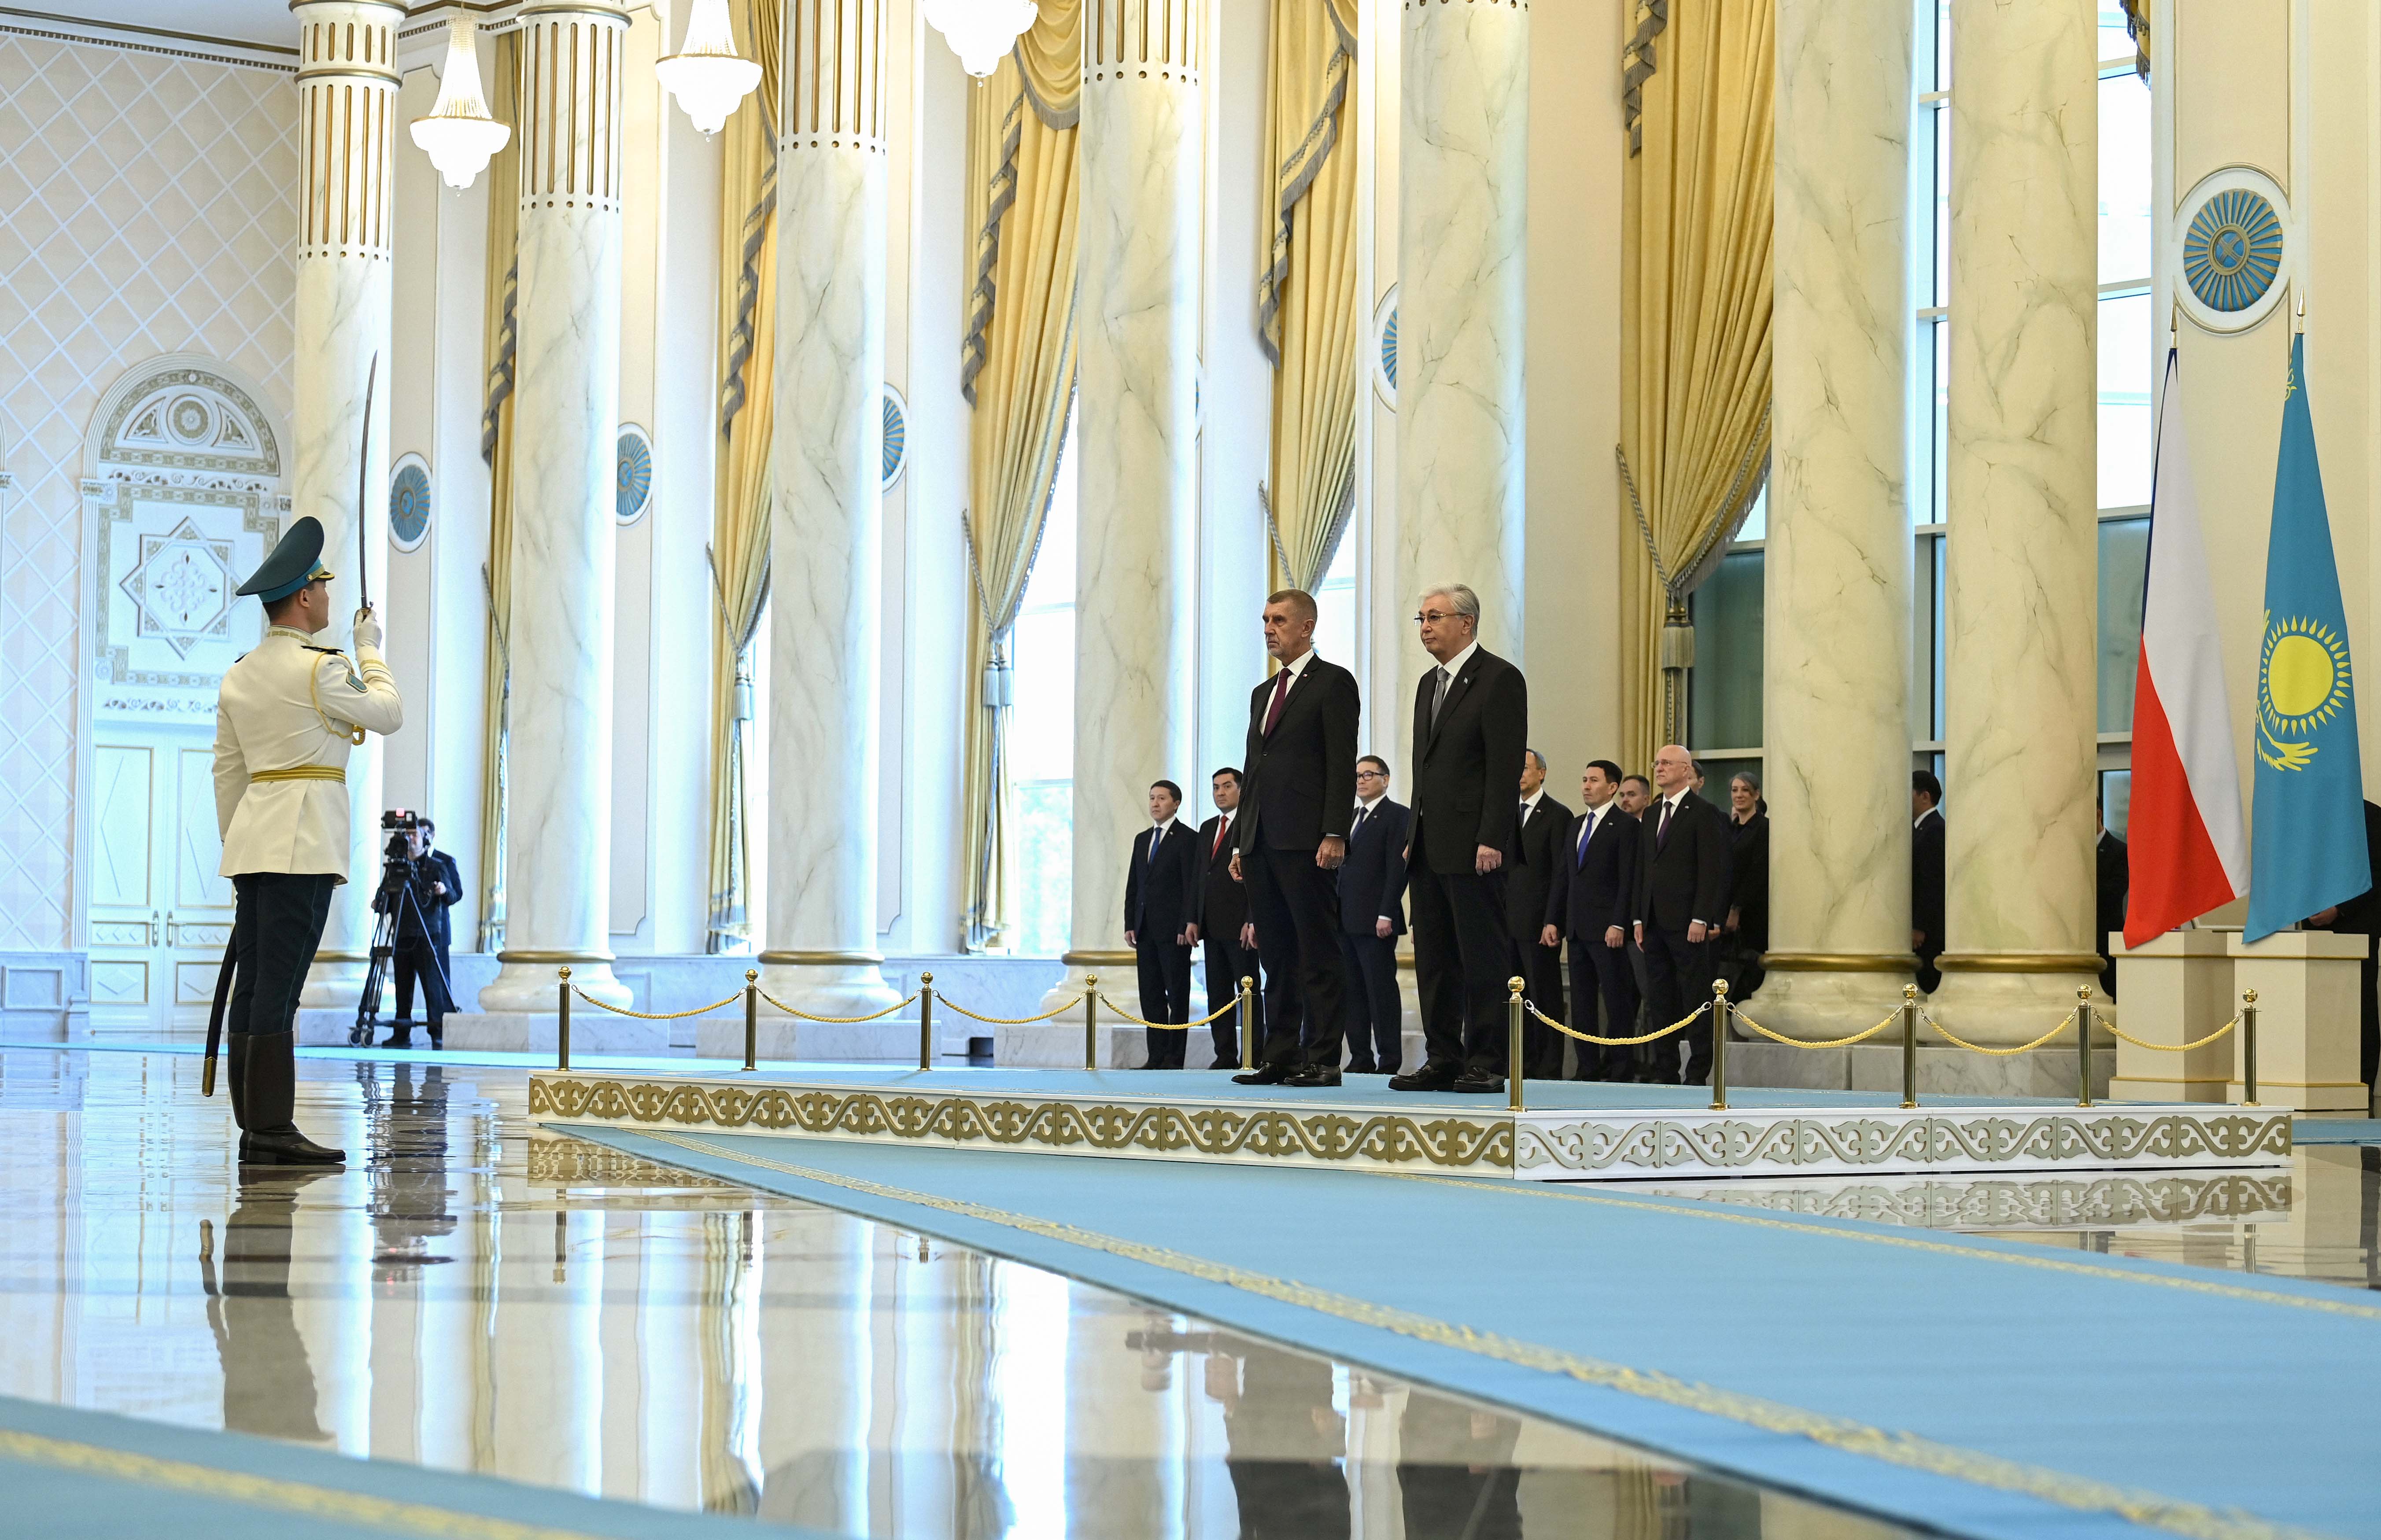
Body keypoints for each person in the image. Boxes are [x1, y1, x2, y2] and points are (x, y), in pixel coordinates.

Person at [213, 515, 403, 1165]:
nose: (327, 597)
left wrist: (242, 844)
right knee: (282, 985)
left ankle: (255, 1124)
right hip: (303, 845)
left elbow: (228, 774)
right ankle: (271, 1129)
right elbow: (388, 714)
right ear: (302, 597)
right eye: (322, 587)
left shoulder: (239, 674)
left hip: (254, 846)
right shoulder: (322, 669)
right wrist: (369, 648)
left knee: (254, 983)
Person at [1390, 584, 1528, 1094]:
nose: (1425, 627)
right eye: (1421, 618)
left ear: (1466, 623)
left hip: (1476, 846)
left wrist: (1492, 836)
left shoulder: (1499, 678)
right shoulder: (1429, 683)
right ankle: (1442, 1058)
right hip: (1429, 844)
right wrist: (1414, 831)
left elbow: (1504, 766)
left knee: (1481, 957)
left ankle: (1487, 1060)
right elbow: (1424, 769)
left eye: (1435, 617)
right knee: (1435, 960)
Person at [1229, 589, 1361, 1087]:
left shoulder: (1333, 682)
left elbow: (1340, 763)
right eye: (1265, 620)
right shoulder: (1262, 693)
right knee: (1277, 956)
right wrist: (1241, 840)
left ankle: (1323, 1057)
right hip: (1261, 840)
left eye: (1279, 620)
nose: (1269, 628)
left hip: (1308, 840)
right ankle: (1280, 1054)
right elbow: (1253, 770)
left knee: (1317, 951)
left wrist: (1335, 831)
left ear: (1306, 627)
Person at [1633, 744, 1730, 1085]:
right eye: (1657, 763)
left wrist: (1702, 918)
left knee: (1695, 997)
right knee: (1659, 999)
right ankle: (1665, 1071)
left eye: (1667, 763)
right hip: (1653, 922)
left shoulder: (1703, 812)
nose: (1659, 768)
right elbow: (1643, 868)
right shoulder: (1651, 813)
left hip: (1688, 922)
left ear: (1686, 770)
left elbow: (1711, 869)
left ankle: (1697, 1073)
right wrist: (1638, 918)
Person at [1543, 760, 1639, 1080]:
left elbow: (1628, 880)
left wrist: (1619, 923)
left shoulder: (1625, 825)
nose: (1586, 786)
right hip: (1576, 928)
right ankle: (1587, 1068)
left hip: (1608, 929)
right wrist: (1553, 920)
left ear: (1612, 788)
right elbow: (1563, 876)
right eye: (1584, 779)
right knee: (1582, 1004)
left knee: (1616, 1001)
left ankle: (1621, 1069)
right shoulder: (1576, 824)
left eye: (1594, 780)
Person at [1337, 755, 1410, 1074]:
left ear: (1386, 779)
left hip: (1376, 920)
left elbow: (1397, 868)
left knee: (1381, 993)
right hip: (1344, 919)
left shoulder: (1398, 815)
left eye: (1369, 774)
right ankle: (1360, 1057)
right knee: (1352, 992)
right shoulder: (1350, 817)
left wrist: (1387, 913)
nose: (1361, 780)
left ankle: (1389, 1059)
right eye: (1357, 776)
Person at [1125, 780, 1202, 1068]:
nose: (1155, 804)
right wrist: (1130, 923)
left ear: (1176, 803)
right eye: (1152, 798)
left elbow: (1191, 886)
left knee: (1177, 995)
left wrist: (1187, 923)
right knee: (1151, 995)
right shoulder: (1142, 839)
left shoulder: (1188, 838)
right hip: (1144, 929)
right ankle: (1155, 1055)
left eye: (1161, 798)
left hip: (1175, 932)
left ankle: (1174, 1057)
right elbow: (1134, 885)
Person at [1505, 749, 1572, 1078]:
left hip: (1538, 923)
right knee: (1513, 998)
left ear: (1542, 773)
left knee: (1544, 997)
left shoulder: (1558, 815)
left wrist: (1553, 920)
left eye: (1525, 768)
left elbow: (1561, 873)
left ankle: (1548, 1067)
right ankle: (1522, 1063)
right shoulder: (1504, 813)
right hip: (1505, 922)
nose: (1519, 774)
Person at [2309, 799, 2381, 1097]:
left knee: (2359, 1007)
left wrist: (2340, 909)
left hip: (2358, 927)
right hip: (2310, 928)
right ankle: (2319, 1083)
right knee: (2316, 1007)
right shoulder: (2308, 813)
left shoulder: (2371, 816)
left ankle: (2362, 1087)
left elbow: (2376, 874)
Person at [1191, 768, 1258, 1069]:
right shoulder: (1208, 828)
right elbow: (1199, 876)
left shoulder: (1251, 822)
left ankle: (1254, 1055)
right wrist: (1193, 919)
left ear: (1241, 790)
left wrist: (1252, 918)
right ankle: (1225, 1055)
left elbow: (1257, 877)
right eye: (1216, 787)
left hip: (1240, 926)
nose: (1220, 792)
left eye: (1227, 786)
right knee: (1217, 994)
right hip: (1211, 925)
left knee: (1248, 993)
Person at [383, 817, 461, 1049]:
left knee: (433, 987)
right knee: (402, 986)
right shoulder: (396, 869)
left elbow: (453, 895)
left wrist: (443, 890)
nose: (410, 839)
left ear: (426, 840)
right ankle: (401, 1034)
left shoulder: (437, 865)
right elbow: (385, 897)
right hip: (402, 933)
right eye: (406, 835)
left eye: (414, 834)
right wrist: (380, 903)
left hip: (429, 935)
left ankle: (437, 1032)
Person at [1723, 771, 1770, 1000]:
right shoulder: (1729, 829)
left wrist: (1736, 909)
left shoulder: (1764, 828)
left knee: (1749, 975)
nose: (1739, 795)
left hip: (1752, 913)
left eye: (1745, 790)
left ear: (1756, 795)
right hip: (1726, 912)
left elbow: (1757, 873)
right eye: (1735, 790)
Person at [1912, 770, 1946, 993]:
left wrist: (1920, 926)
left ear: (1925, 796)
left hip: (1928, 935)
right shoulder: (1919, 829)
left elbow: (1932, 884)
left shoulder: (1934, 830)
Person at [2094, 789, 2128, 1001]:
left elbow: (2116, 890)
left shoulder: (2119, 850)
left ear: (2098, 814)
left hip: (2106, 934)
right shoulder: (2070, 852)